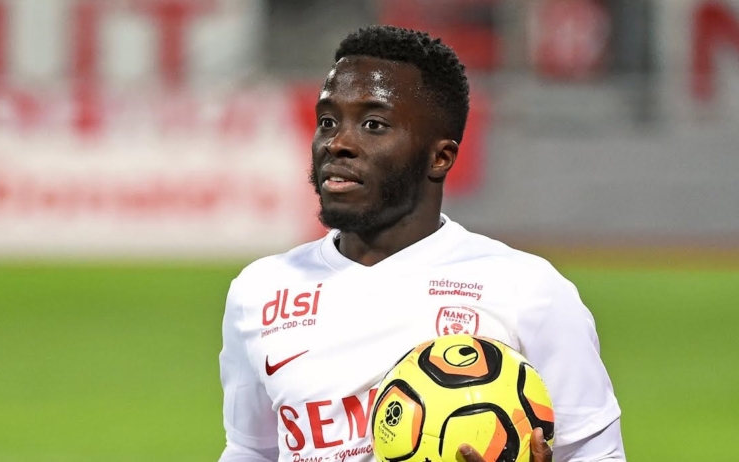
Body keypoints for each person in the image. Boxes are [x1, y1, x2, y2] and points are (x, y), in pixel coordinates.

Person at [219, 25, 625, 462]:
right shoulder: (259, 292)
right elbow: (251, 450)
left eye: (373, 124)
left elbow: (598, 454)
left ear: (440, 157)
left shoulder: (528, 291)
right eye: (327, 121)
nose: (337, 143)